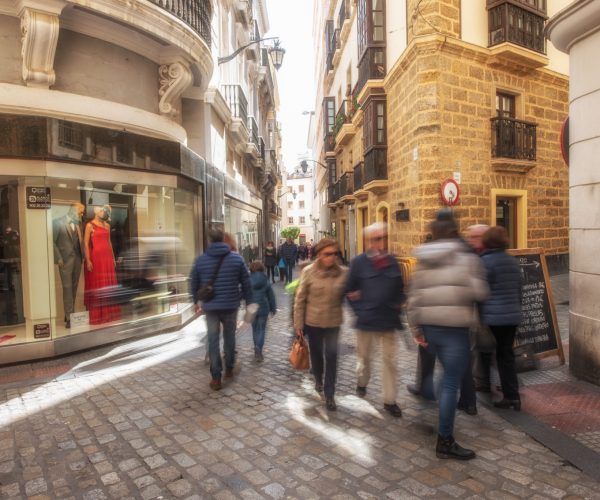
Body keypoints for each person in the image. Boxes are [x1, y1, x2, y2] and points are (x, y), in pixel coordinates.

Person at [407, 215, 489, 460]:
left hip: (431, 328)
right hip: (455, 329)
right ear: (454, 231)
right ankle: (445, 440)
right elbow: (480, 292)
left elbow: (413, 300)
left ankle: (437, 400)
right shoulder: (466, 259)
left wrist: (417, 332)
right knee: (451, 382)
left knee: (445, 378)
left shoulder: (422, 261)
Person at [346, 222, 405, 417]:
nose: (382, 242)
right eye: (378, 238)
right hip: (367, 320)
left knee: (389, 361)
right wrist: (359, 310)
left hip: (388, 320)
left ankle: (390, 400)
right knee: (364, 358)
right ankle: (362, 382)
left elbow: (400, 289)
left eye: (384, 238)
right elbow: (349, 291)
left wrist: (398, 303)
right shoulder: (358, 263)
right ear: (369, 241)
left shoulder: (393, 262)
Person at [190, 229, 254, 391]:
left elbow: (194, 282)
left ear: (210, 241)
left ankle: (216, 377)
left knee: (212, 340)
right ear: (223, 241)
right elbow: (246, 283)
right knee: (229, 337)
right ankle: (229, 368)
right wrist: (249, 302)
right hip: (231, 305)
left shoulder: (201, 260)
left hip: (210, 307)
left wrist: (195, 301)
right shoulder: (237, 259)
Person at [294, 238, 348, 411]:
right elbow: (300, 299)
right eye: (327, 254)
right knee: (317, 356)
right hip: (314, 322)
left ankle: (330, 393)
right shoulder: (309, 272)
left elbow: (351, 294)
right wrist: (299, 325)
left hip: (333, 322)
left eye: (334, 254)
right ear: (319, 255)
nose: (331, 257)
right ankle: (318, 377)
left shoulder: (343, 273)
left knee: (332, 357)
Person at [480, 226, 522, 411]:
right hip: (512, 316)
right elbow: (519, 289)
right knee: (506, 355)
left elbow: (481, 290)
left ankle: (487, 386)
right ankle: (513, 396)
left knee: (487, 352)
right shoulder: (512, 261)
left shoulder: (485, 262)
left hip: (493, 317)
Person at [466, 224, 496, 393]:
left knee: (487, 348)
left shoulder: (489, 256)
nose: (472, 240)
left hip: (489, 310)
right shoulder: (472, 255)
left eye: (476, 237)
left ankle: (491, 382)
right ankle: (481, 380)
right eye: (471, 236)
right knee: (479, 347)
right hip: (477, 311)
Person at [83, 205, 121, 325]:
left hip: (107, 257)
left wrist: (113, 258)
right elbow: (85, 243)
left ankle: (110, 312)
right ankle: (99, 314)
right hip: (97, 257)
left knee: (108, 283)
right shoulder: (90, 225)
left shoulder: (107, 226)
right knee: (99, 283)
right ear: (95, 212)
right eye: (100, 211)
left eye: (103, 211)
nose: (102, 213)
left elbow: (109, 242)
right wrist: (88, 260)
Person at [53, 202, 84, 328]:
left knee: (74, 287)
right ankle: (70, 316)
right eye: (81, 212)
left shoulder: (78, 224)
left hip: (77, 259)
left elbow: (79, 241)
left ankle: (70, 315)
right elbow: (52, 242)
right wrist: (58, 258)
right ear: (73, 210)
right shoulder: (57, 222)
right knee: (67, 288)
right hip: (65, 261)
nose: (82, 214)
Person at [249, 260, 276, 362]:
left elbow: (243, 292)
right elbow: (271, 295)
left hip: (251, 308)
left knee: (255, 329)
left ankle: (256, 346)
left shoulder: (248, 279)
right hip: (263, 308)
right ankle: (259, 348)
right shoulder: (265, 280)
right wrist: (273, 308)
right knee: (261, 329)